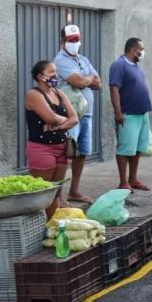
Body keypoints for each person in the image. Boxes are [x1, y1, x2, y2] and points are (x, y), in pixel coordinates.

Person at [54, 25, 101, 204]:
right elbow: (79, 81)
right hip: (69, 116)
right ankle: (57, 196)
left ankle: (74, 191)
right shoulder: (60, 61)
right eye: (71, 40)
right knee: (67, 153)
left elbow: (99, 83)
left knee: (82, 153)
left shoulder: (83, 59)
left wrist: (85, 81)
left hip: (86, 113)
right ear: (63, 42)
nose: (75, 43)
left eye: (77, 39)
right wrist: (87, 80)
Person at [25, 60, 79, 216]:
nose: (55, 75)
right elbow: (50, 118)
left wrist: (59, 125)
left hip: (61, 148)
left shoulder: (59, 93)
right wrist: (62, 119)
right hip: (42, 149)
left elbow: (75, 118)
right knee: (42, 194)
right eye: (51, 72)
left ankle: (52, 227)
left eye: (56, 71)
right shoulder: (33, 94)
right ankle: (38, 229)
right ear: (40, 76)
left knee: (56, 192)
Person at [109, 37, 152, 192]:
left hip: (142, 113)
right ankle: (123, 182)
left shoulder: (137, 66)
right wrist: (118, 112)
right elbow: (114, 89)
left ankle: (133, 179)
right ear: (134, 50)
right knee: (125, 149)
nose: (143, 52)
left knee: (137, 148)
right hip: (128, 114)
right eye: (141, 49)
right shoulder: (119, 65)